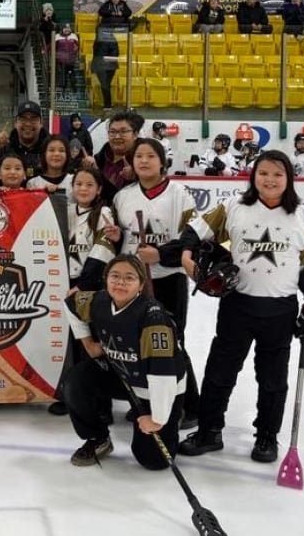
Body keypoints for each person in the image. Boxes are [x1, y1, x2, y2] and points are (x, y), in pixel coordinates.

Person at [172, 151, 304, 464]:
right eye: (263, 173)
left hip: (280, 311)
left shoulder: (301, 215)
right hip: (237, 306)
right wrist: (187, 252)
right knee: (219, 373)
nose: (269, 180)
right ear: (254, 176)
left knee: (273, 380)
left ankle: (267, 436)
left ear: (289, 179)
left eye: (277, 175)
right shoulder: (234, 207)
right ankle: (209, 431)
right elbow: (196, 230)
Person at [63, 255, 187, 469]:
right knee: (76, 381)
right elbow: (70, 304)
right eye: (115, 276)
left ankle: (172, 414)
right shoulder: (99, 301)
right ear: (106, 279)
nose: (120, 282)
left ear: (141, 284)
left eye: (129, 277)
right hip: (122, 375)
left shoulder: (153, 317)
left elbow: (163, 373)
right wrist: (89, 344)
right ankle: (98, 438)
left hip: (155, 387)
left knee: (153, 461)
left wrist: (157, 418)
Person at [114, 137, 200, 426]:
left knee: (173, 342)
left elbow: (191, 239)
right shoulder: (123, 197)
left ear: (162, 161)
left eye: (151, 156)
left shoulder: (180, 195)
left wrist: (160, 255)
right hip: (132, 286)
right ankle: (147, 401)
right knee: (138, 342)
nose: (144, 161)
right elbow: (117, 240)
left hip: (168, 280)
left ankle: (188, 405)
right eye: (138, 156)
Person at [49, 167, 117, 417]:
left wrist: (83, 285)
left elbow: (102, 252)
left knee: (92, 345)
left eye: (89, 185)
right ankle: (73, 397)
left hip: (90, 286)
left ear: (99, 189)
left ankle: (101, 406)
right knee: (71, 346)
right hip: (64, 283)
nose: (83, 189)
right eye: (79, 184)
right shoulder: (65, 211)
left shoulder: (104, 214)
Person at [0, 100, 49, 183]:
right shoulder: (3, 148)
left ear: (41, 123)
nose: (28, 124)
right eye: (23, 119)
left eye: (33, 119)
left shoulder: (50, 148)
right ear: (15, 123)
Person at [87, 110, 141, 201]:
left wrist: (136, 178)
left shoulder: (142, 163)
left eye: (123, 132)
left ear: (135, 134)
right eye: (112, 132)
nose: (117, 137)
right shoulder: (98, 160)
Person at [93, 0, 131, 109]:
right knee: (105, 85)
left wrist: (120, 13)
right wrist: (113, 12)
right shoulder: (97, 41)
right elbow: (95, 53)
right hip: (101, 65)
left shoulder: (113, 41)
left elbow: (116, 54)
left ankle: (108, 105)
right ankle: (107, 105)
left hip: (110, 65)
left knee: (106, 84)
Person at [55, 24, 80, 92]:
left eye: (68, 28)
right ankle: (63, 90)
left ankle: (74, 88)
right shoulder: (57, 36)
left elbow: (78, 46)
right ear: (62, 29)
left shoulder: (74, 36)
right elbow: (52, 46)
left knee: (71, 73)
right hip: (61, 60)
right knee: (62, 74)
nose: (67, 29)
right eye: (65, 28)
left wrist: (76, 53)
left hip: (70, 59)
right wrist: (44, 50)